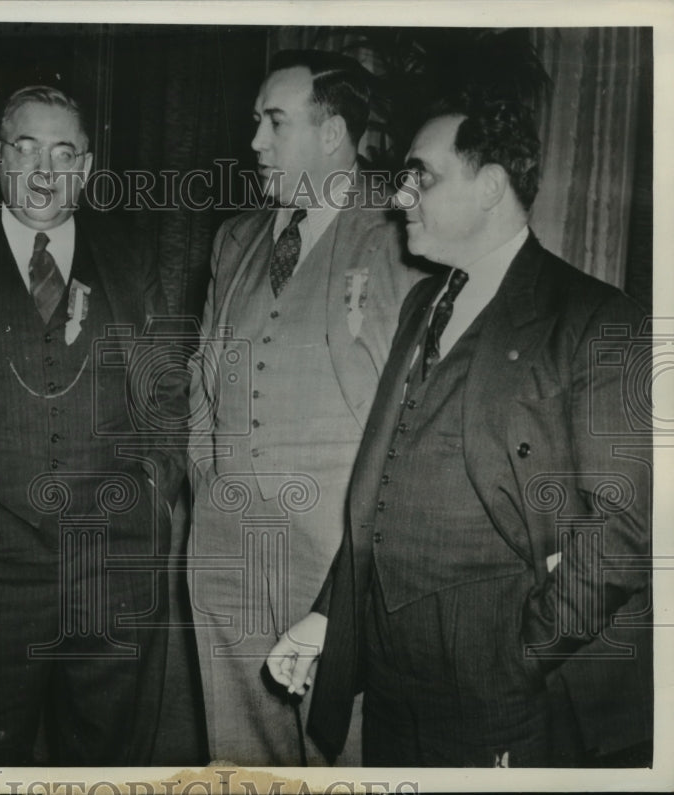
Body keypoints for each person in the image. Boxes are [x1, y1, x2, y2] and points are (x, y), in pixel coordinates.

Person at [267, 98, 652, 767]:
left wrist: (527, 655)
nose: (402, 195)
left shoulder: (597, 319)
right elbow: (380, 483)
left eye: (424, 177)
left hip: (504, 698)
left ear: (492, 186)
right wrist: (329, 615)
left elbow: (621, 530)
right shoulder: (425, 302)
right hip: (394, 689)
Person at [0, 85, 189, 765]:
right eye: (25, 148)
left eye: (63, 152)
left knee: (110, 764)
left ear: (87, 167)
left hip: (112, 567)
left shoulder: (131, 258)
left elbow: (167, 391)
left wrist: (156, 484)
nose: (44, 171)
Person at [186, 50, 424, 766]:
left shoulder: (401, 230)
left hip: (336, 558)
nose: (254, 140)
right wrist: (208, 485)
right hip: (230, 548)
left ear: (330, 134)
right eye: (257, 120)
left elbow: (416, 405)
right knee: (241, 751)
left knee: (339, 751)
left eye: (274, 121)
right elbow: (204, 379)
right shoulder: (236, 238)